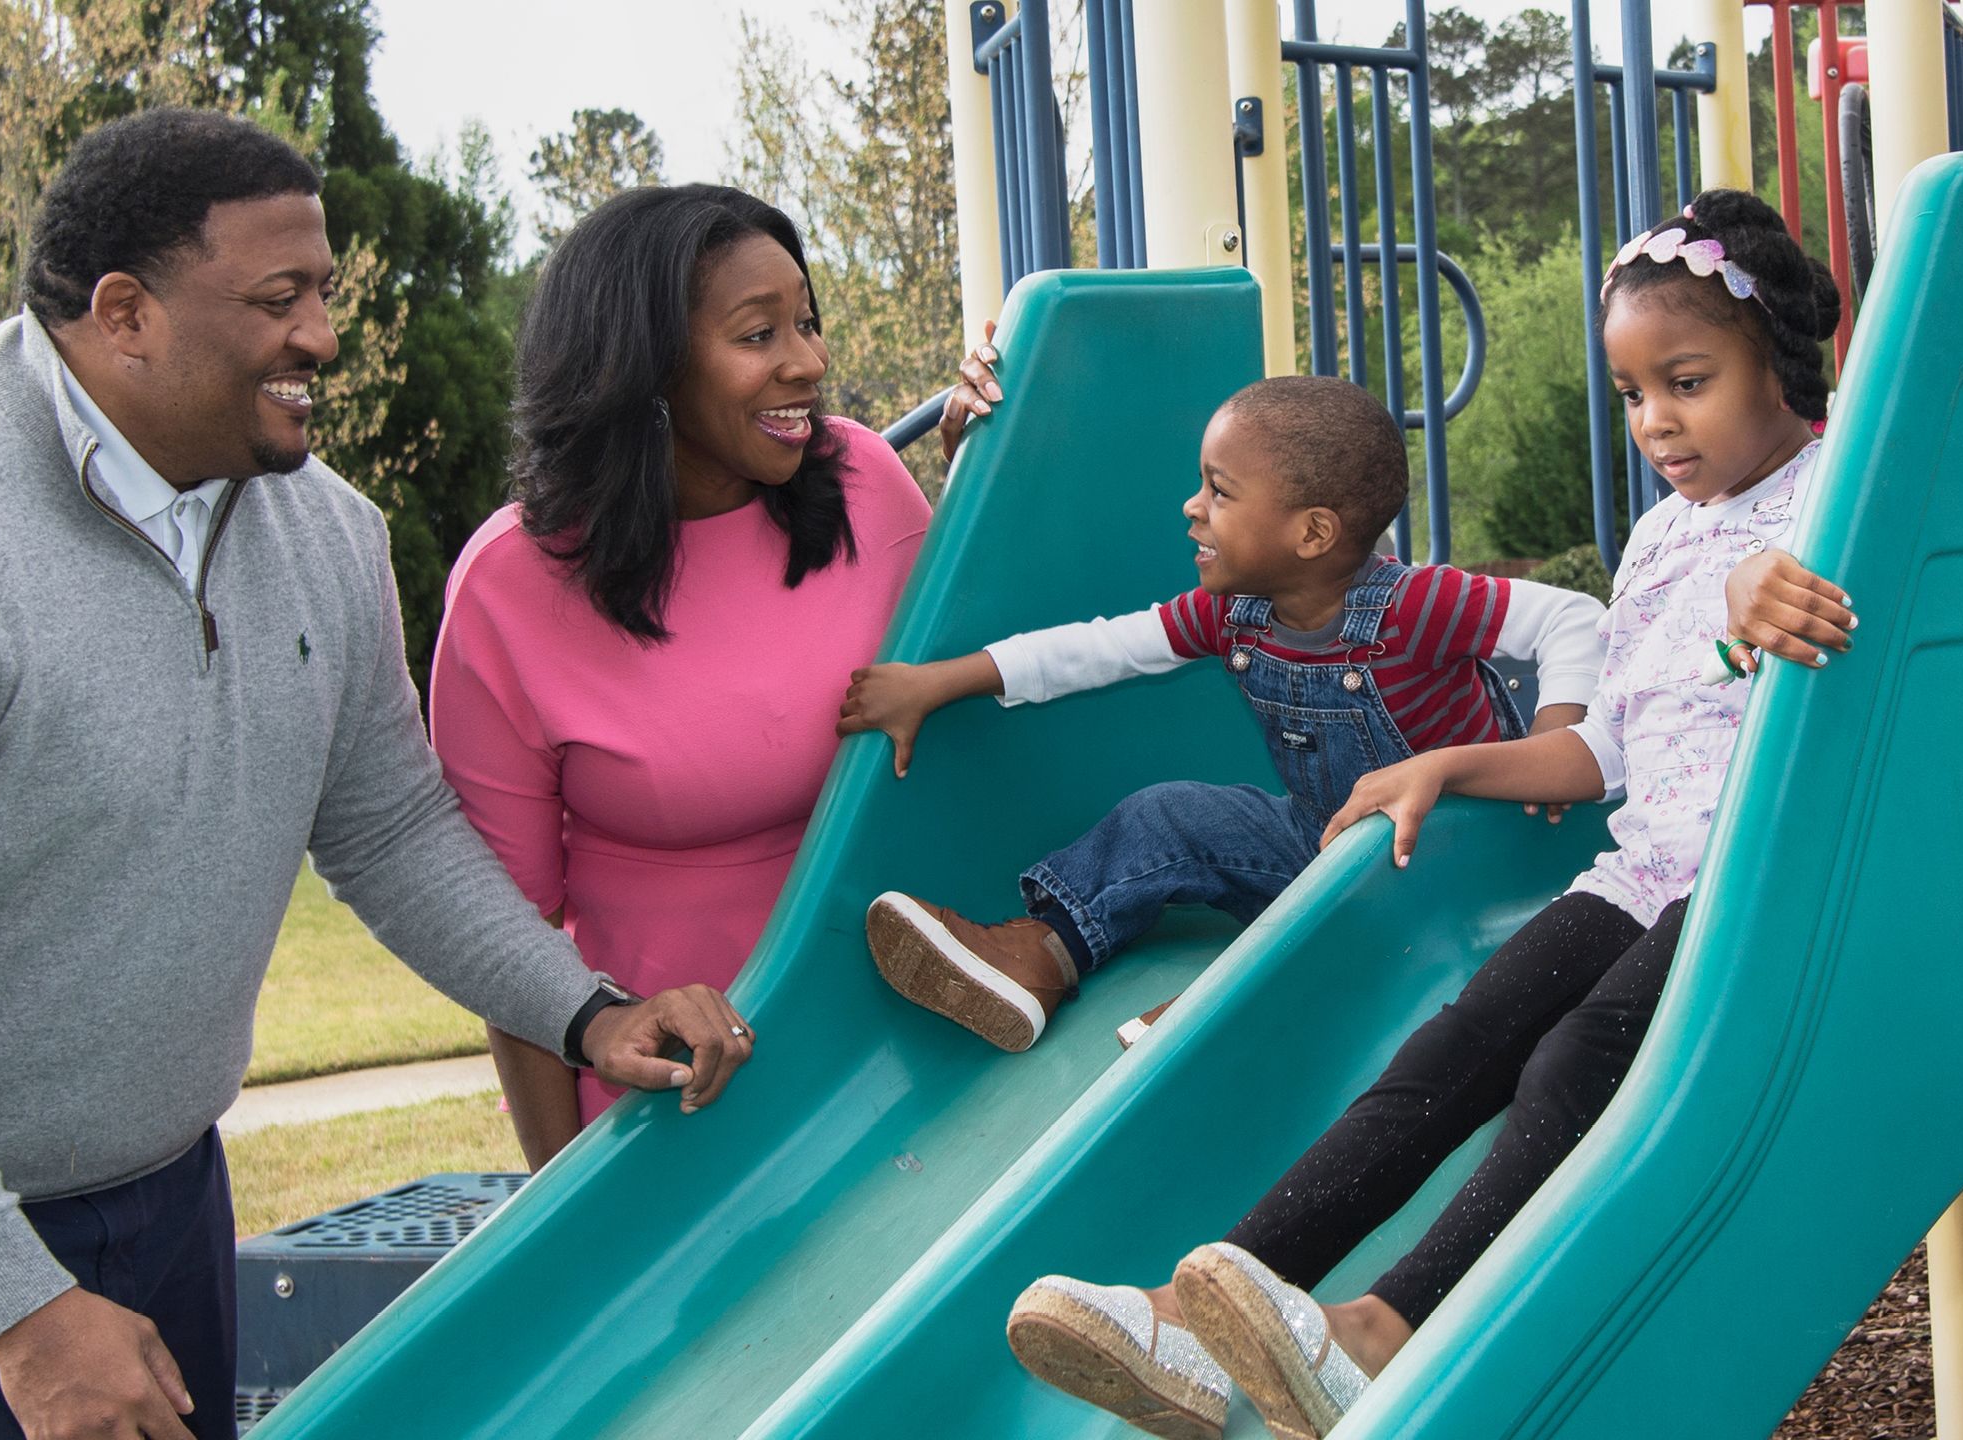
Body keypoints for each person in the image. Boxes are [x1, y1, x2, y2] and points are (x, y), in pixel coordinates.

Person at [0, 108, 753, 1440]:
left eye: (321, 291)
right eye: (278, 299)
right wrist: (15, 1307)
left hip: (151, 1188)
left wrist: (585, 1013)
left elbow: (383, 826)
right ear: (124, 314)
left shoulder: (324, 531)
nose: (322, 335)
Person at [1000, 189, 1845, 1440]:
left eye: (1687, 381)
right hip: (1644, 869)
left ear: (1776, 358)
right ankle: (1196, 1313)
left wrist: (1762, 584)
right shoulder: (1662, 540)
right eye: (1632, 394)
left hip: (1764, 879)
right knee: (1449, 1051)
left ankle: (1386, 1326)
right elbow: (1604, 748)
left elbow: (1858, 598)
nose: (1655, 421)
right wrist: (1448, 763)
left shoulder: (1845, 486)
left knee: (1575, 1060)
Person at [841, 374, 1608, 1053]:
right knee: (1166, 816)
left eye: (1219, 491)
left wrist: (1549, 742)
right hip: (1319, 846)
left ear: (1311, 532)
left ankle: (1237, 1003)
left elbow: (1573, 617)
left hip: (1457, 872)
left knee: (1336, 897)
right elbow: (1103, 649)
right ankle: (1042, 955)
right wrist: (939, 681)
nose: (1193, 506)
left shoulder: (1416, 605)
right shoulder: (1234, 613)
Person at [429, 184, 931, 1166]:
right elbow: (508, 940)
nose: (808, 362)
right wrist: (554, 1203)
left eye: (807, 323)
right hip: (677, 1099)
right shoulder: (508, 586)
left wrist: (1003, 440)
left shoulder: (869, 482)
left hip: (896, 1058)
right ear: (647, 367)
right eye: (758, 335)